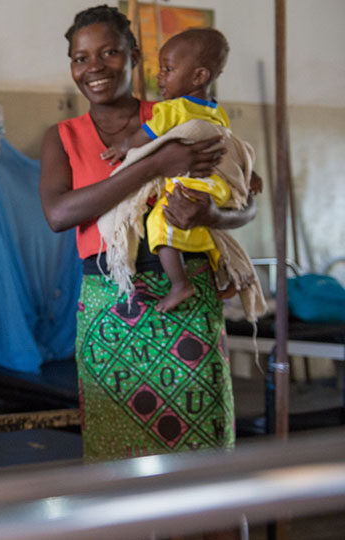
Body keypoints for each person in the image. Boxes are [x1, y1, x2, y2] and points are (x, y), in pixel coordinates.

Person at [39, 6, 257, 463]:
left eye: (109, 52)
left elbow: (245, 199)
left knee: (208, 460)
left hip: (188, 298)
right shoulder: (63, 136)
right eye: (81, 58)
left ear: (134, 56)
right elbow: (59, 214)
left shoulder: (180, 114)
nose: (94, 67)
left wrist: (209, 215)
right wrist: (155, 164)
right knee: (116, 463)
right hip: (108, 305)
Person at [99, 28, 254, 313]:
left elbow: (145, 136)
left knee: (159, 223)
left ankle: (180, 284)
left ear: (199, 76)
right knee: (207, 232)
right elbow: (230, 146)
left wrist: (124, 147)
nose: (160, 76)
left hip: (194, 184)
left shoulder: (174, 109)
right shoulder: (216, 111)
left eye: (168, 69)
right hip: (217, 187)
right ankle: (230, 274)